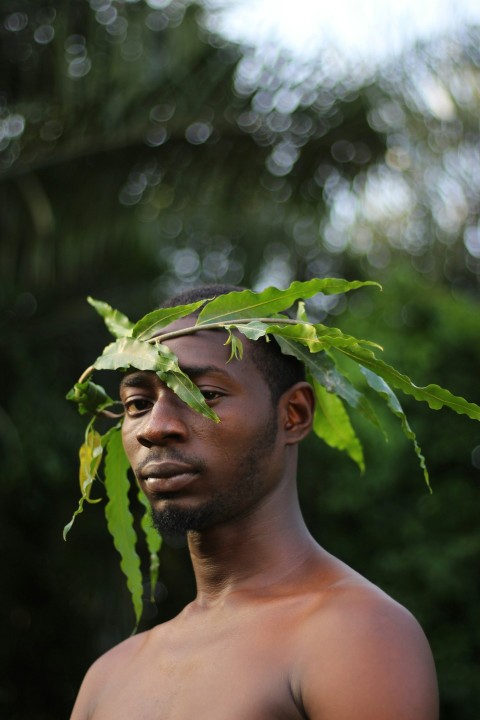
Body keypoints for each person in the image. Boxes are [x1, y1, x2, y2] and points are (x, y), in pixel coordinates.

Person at [70, 284, 439, 720]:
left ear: (294, 415)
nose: (157, 426)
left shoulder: (357, 635)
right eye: (137, 403)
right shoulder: (108, 677)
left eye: (204, 393)